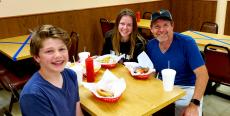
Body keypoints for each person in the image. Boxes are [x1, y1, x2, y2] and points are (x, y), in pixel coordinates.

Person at [146, 9, 209, 116]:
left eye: (165, 25)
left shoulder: (187, 43)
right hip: (163, 86)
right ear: (151, 29)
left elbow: (203, 75)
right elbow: (152, 71)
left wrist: (194, 104)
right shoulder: (150, 45)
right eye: (157, 26)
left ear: (172, 26)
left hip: (188, 88)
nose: (161, 30)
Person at [19, 25, 84, 116]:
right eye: (49, 51)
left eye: (61, 49)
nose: (58, 55)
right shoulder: (33, 95)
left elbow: (77, 112)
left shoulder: (71, 75)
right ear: (37, 57)